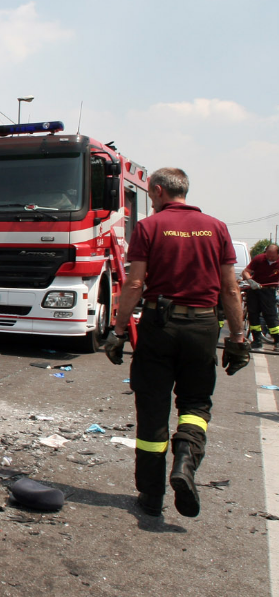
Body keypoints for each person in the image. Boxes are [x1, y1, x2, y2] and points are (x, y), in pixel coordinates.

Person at [103, 167, 250, 519]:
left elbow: (135, 285)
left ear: (155, 191)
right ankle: (185, 461)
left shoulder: (149, 227)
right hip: (202, 326)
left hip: (159, 324)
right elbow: (230, 289)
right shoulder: (217, 227)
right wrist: (239, 338)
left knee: (153, 409)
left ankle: (151, 496)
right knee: (196, 404)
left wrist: (118, 331)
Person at [242, 244, 279, 350]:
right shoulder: (259, 259)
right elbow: (246, 272)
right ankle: (257, 340)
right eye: (268, 255)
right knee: (253, 314)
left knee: (270, 315)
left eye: (272, 256)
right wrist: (250, 281)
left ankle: (277, 340)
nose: (269, 258)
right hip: (255, 289)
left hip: (269, 291)